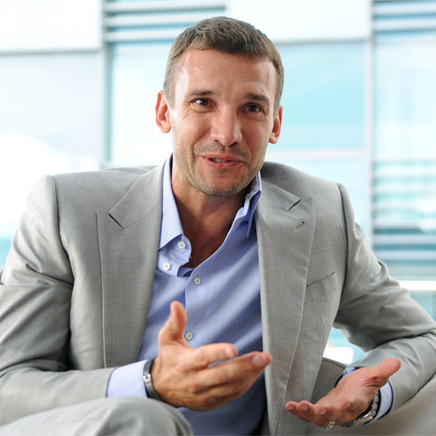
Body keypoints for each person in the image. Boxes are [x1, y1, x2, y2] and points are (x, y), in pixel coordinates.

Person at [0, 16, 435, 436]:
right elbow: (8, 384)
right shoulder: (68, 211)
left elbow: (420, 334)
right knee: (145, 421)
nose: (227, 134)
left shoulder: (321, 215)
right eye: (202, 102)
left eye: (252, 108)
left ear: (275, 124)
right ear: (164, 112)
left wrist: (369, 395)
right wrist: (149, 383)